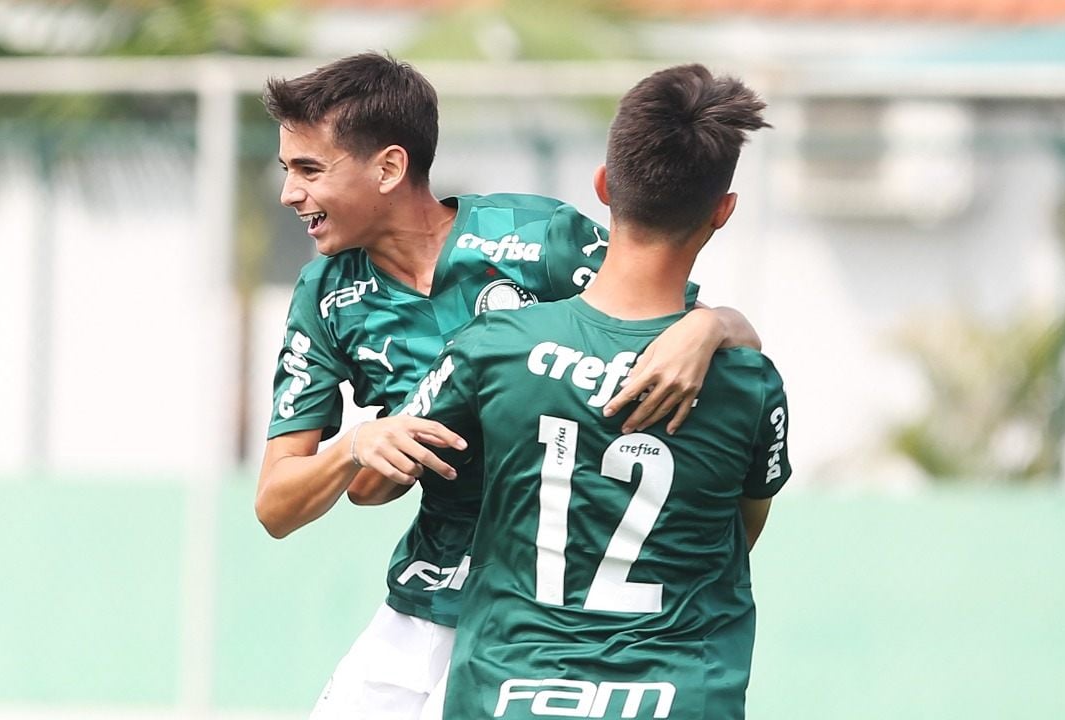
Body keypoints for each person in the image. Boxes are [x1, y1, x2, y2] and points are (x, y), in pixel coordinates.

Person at [254, 53, 762, 719]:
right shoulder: (323, 297)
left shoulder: (537, 237)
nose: (289, 192)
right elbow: (275, 505)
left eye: (308, 169)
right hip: (427, 599)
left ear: (388, 168)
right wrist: (357, 444)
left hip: (549, 617)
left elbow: (676, 328)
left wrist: (711, 326)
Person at [389, 63, 789, 719]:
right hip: (681, 697)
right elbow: (739, 535)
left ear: (602, 186)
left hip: (507, 695)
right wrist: (715, 325)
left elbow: (383, 475)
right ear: (723, 212)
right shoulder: (748, 385)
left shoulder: (494, 346)